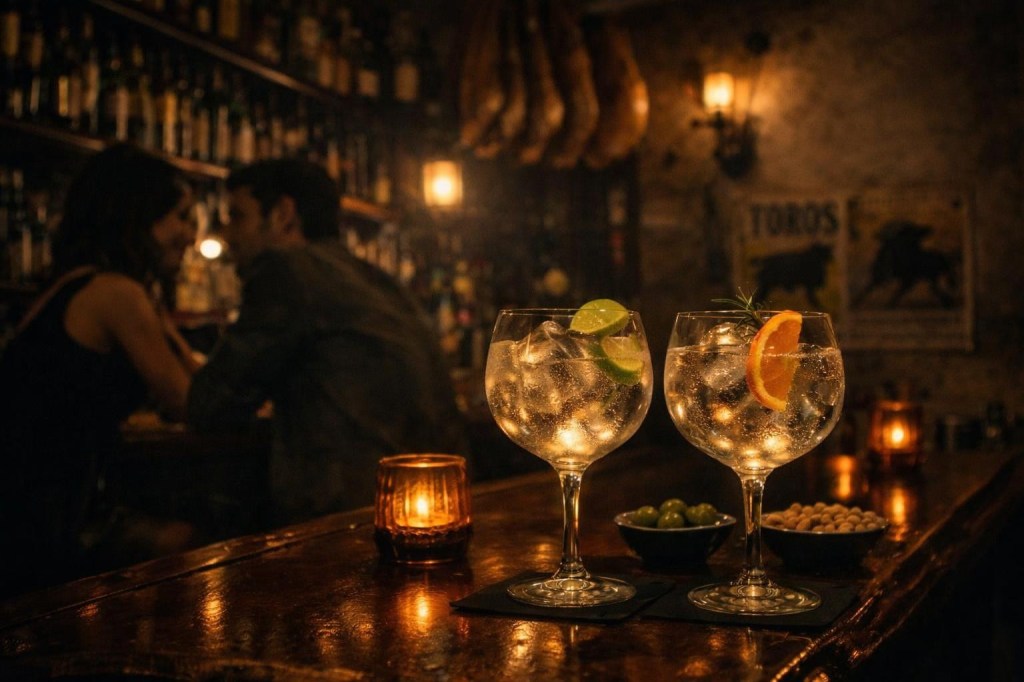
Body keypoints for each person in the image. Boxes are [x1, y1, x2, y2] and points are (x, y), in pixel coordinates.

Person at [187, 158, 466, 525]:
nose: (226, 234)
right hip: (433, 506)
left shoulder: (286, 271)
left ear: (284, 214)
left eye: (238, 217)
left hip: (344, 518)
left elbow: (211, 404)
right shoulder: (377, 281)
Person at [0, 143, 200, 595]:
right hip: (44, 517)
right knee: (202, 543)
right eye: (181, 217)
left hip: (47, 501)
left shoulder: (86, 283)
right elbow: (188, 400)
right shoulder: (114, 293)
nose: (190, 235)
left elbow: (189, 375)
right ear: (138, 215)